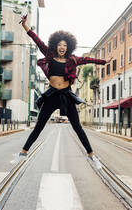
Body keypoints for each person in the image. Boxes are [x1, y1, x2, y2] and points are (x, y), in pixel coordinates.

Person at [18, 15, 112, 169]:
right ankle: (23, 152)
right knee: (39, 126)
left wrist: (104, 62)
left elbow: (89, 60)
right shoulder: (49, 54)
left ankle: (91, 155)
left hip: (66, 96)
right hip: (51, 95)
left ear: (68, 47)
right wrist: (25, 25)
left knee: (77, 127)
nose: (62, 47)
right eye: (60, 45)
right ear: (56, 45)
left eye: (65, 45)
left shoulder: (73, 60)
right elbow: (37, 40)